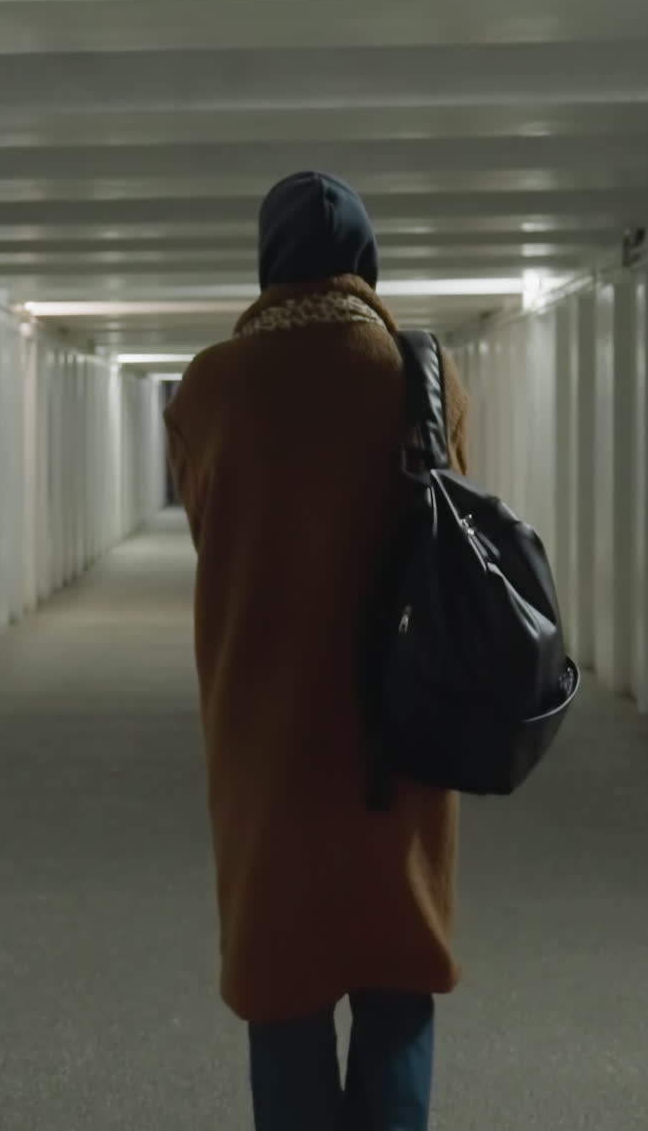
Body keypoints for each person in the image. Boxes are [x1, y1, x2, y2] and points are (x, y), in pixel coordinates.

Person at [165, 171, 469, 1130]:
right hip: (403, 733)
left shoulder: (211, 386)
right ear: (366, 263)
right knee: (397, 978)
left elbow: (211, 530)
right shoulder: (427, 375)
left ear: (270, 263)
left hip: (269, 737)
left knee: (283, 990)